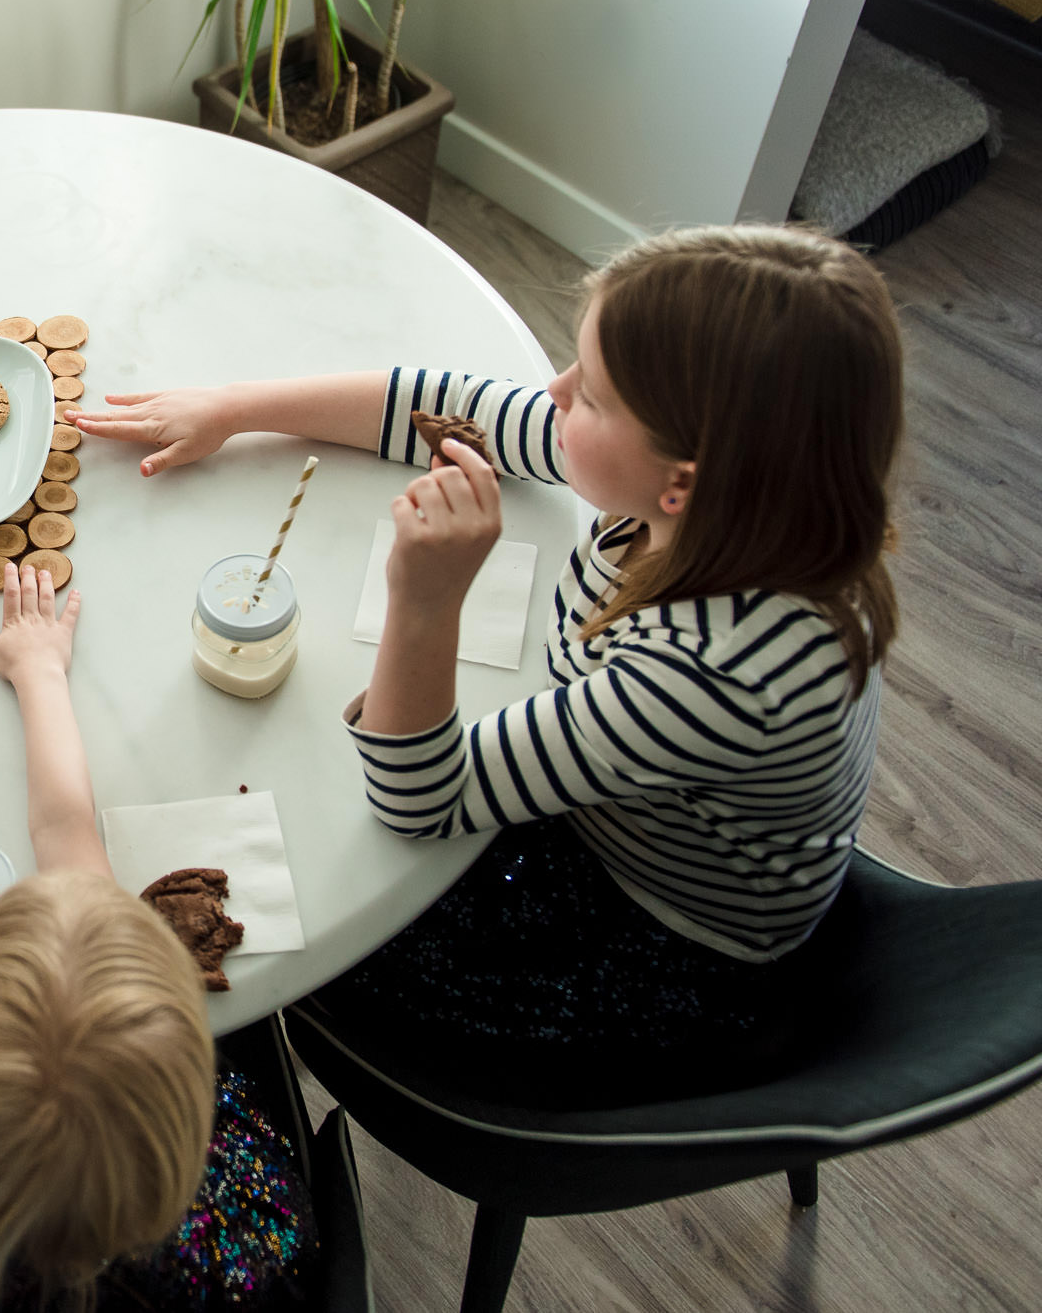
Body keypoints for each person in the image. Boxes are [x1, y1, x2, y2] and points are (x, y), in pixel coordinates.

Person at [72, 224, 904, 1106]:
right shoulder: (761, 504)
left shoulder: (715, 673)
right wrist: (235, 408)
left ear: (683, 481)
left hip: (648, 943)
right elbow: (455, 408)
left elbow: (420, 799)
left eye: (593, 397)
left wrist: (425, 599)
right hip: (631, 809)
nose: (555, 391)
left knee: (290, 927)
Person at [0, 563, 322, 1311]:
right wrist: (42, 674)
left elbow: (66, 840)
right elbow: (68, 833)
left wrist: (37, 674)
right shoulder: (247, 1228)